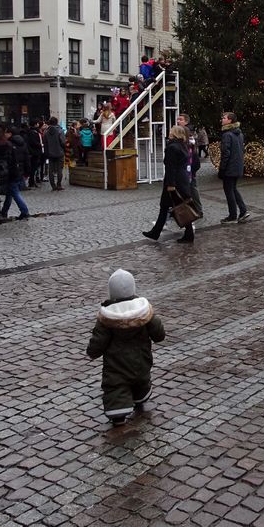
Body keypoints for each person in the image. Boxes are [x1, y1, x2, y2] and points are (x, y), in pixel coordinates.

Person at [86, 269, 166, 425]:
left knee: (116, 386)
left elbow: (98, 341)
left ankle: (118, 413)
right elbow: (159, 334)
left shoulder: (107, 319)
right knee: (141, 380)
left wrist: (92, 352)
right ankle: (140, 395)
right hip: (141, 361)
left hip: (116, 366)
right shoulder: (144, 313)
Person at [141, 125, 196, 243]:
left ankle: (158, 232)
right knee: (180, 206)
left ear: (175, 133)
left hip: (174, 181)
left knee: (171, 207)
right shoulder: (184, 146)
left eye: (171, 131)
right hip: (182, 179)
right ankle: (157, 232)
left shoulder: (172, 147)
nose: (169, 132)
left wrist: (171, 184)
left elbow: (171, 167)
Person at [0, 125, 29, 223]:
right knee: (11, 191)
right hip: (7, 171)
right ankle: (5, 212)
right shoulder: (8, 144)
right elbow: (13, 160)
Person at [218, 111, 250, 224]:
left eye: (224, 118)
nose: (222, 119)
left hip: (230, 168)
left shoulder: (227, 135)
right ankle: (243, 211)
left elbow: (225, 153)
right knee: (233, 189)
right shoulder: (239, 133)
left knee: (229, 191)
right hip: (237, 166)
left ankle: (232, 215)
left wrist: (222, 169)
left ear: (230, 120)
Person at [177, 113, 203, 218]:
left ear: (186, 122)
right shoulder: (183, 132)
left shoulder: (188, 133)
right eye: (178, 119)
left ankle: (196, 210)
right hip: (188, 165)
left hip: (189, 166)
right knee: (190, 188)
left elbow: (191, 152)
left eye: (181, 119)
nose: (178, 121)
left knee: (191, 188)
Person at [43, 117, 66, 191]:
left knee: (51, 170)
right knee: (59, 169)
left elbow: (45, 143)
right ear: (57, 122)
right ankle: (59, 184)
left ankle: (53, 185)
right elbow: (63, 142)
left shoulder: (46, 132)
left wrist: (46, 153)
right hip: (59, 152)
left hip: (50, 153)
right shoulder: (60, 131)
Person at [25, 120, 44, 189]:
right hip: (34, 152)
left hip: (36, 152)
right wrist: (41, 145)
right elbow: (33, 142)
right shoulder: (32, 132)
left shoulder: (34, 131)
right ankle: (31, 182)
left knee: (35, 167)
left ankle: (33, 181)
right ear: (35, 124)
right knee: (33, 167)